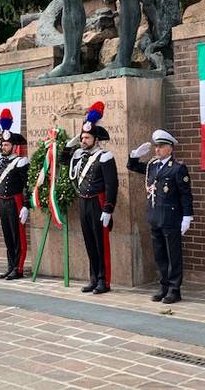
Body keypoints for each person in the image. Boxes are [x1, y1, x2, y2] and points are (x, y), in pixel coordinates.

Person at [127, 130, 194, 304]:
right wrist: (134, 156)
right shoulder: (152, 166)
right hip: (155, 216)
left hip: (171, 217)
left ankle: (174, 289)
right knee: (159, 254)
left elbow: (185, 195)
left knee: (173, 254)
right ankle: (163, 286)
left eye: (161, 146)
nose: (157, 149)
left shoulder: (178, 168)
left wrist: (187, 216)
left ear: (170, 148)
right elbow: (133, 167)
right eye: (156, 146)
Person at [59, 101, 118, 294]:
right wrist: (70, 145)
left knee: (101, 244)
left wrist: (108, 208)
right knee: (89, 242)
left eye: (86, 138)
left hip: (98, 202)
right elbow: (63, 161)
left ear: (96, 139)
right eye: (82, 137)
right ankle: (93, 278)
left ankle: (104, 280)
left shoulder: (105, 157)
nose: (83, 140)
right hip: (83, 201)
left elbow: (112, 185)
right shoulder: (78, 154)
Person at [0, 109, 30, 280]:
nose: (4, 147)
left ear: (14, 146)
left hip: (16, 201)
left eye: (6, 145)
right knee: (8, 235)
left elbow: (27, 184)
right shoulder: (0, 160)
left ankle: (19, 268)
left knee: (18, 236)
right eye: (2, 145)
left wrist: (26, 205)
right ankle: (10, 266)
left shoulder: (20, 161)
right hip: (3, 201)